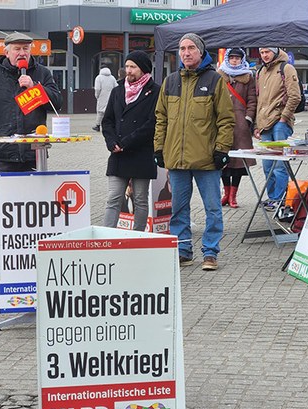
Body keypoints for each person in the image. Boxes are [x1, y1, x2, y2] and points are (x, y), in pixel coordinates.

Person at [0, 32, 62, 281]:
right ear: (6, 50)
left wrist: (36, 88)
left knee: (34, 210)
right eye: (17, 48)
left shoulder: (42, 74)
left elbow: (57, 104)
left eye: (26, 48)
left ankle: (34, 260)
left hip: (34, 155)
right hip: (2, 155)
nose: (22, 53)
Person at [154, 33, 234, 271]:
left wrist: (222, 149)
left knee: (212, 208)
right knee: (178, 208)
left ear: (201, 52)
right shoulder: (170, 82)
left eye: (190, 48)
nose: (186, 53)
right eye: (182, 48)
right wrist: (159, 147)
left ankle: (210, 252)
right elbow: (161, 118)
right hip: (177, 159)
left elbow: (226, 120)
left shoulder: (215, 80)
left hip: (207, 159)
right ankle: (182, 250)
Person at [101, 50, 160, 231]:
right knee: (113, 198)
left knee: (140, 199)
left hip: (141, 153)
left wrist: (126, 143)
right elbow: (107, 120)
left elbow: (153, 123)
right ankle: (107, 237)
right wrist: (111, 142)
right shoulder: (118, 90)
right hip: (118, 153)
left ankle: (138, 237)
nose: (128, 70)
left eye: (133, 67)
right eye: (127, 66)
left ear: (143, 69)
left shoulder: (155, 91)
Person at [253, 46, 301, 212]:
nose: (264, 55)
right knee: (267, 165)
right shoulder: (260, 71)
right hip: (265, 125)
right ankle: (273, 197)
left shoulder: (286, 68)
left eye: (267, 51)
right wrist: (256, 125)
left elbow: (295, 96)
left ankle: (280, 199)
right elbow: (258, 100)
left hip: (280, 123)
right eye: (262, 52)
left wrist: (283, 118)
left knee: (280, 166)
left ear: (275, 51)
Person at [216, 47, 257, 209]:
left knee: (238, 164)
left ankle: (233, 196)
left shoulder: (248, 77)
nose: (234, 60)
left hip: (240, 125)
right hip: (222, 123)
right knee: (222, 160)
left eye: (237, 58)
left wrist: (248, 119)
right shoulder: (219, 76)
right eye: (232, 58)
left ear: (242, 59)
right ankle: (225, 194)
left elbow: (252, 100)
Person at [92, 66, 117, 132]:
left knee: (100, 112)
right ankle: (111, 125)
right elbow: (116, 87)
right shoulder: (112, 78)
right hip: (111, 97)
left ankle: (97, 126)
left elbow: (97, 89)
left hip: (102, 96)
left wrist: (97, 96)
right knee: (111, 112)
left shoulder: (98, 78)